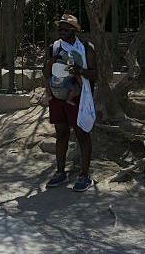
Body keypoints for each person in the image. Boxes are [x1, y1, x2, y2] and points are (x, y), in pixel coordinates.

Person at [44, 14, 99, 192]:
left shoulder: (86, 48)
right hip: (58, 95)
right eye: (60, 29)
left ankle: (84, 175)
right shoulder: (54, 47)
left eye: (66, 29)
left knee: (82, 134)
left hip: (79, 96)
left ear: (75, 30)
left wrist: (79, 70)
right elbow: (46, 73)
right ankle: (60, 172)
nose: (62, 31)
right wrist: (50, 64)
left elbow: (94, 75)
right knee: (61, 134)